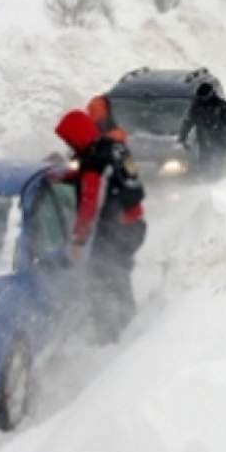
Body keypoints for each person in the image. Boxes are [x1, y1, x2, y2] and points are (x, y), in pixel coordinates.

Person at [54, 109, 146, 343]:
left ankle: (109, 336)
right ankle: (129, 324)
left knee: (99, 277)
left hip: (117, 231)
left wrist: (78, 239)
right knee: (119, 275)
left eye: (69, 140)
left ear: (77, 136)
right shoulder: (113, 148)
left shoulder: (94, 161)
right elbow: (104, 178)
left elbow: (89, 205)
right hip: (134, 224)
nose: (69, 145)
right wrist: (67, 176)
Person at [178, 82, 226, 178]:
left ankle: (222, 185)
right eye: (200, 97)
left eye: (204, 97)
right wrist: (182, 137)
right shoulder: (196, 107)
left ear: (211, 94)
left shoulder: (223, 107)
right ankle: (205, 184)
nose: (202, 99)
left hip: (222, 144)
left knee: (220, 168)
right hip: (204, 144)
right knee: (204, 168)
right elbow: (188, 122)